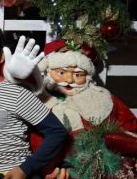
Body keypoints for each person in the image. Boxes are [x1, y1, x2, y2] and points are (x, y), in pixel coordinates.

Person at [0, 22, 68, 179]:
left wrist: (26, 169)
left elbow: (57, 132)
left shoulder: (16, 93)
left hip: (12, 173)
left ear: (1, 57)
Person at [31, 39, 137, 175]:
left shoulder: (102, 98)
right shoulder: (37, 102)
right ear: (48, 70)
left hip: (104, 168)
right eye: (62, 73)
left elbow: (130, 127)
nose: (69, 80)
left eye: (78, 74)